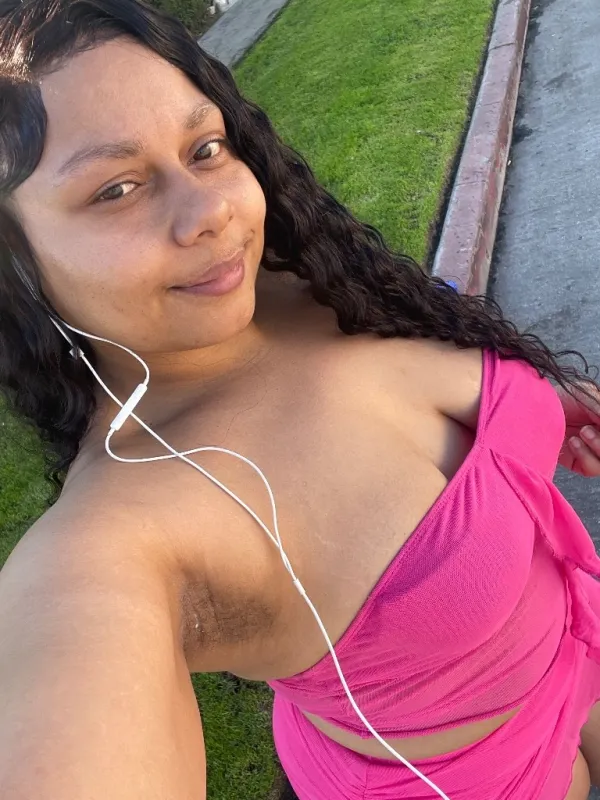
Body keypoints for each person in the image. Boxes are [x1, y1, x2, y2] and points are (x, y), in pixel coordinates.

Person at [1, 1, 600, 798]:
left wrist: (533, 412)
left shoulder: (292, 281)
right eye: (116, 189)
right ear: (13, 264)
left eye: (205, 148)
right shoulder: (125, 531)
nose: (211, 210)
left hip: (579, 648)